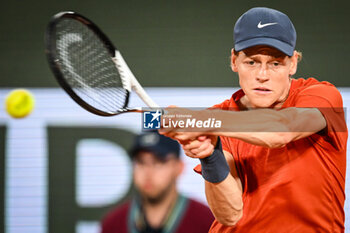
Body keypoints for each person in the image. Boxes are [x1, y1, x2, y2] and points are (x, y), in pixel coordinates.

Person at [161, 7, 348, 232]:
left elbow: (281, 129)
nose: (262, 74)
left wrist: (205, 120)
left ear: (293, 63)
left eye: (275, 63)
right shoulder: (219, 119)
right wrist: (210, 155)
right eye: (252, 62)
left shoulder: (323, 96)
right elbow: (229, 214)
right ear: (234, 60)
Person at [100, 131, 214, 233]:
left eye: (159, 162)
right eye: (141, 162)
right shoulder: (113, 224)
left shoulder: (206, 222)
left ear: (179, 167)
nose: (148, 172)